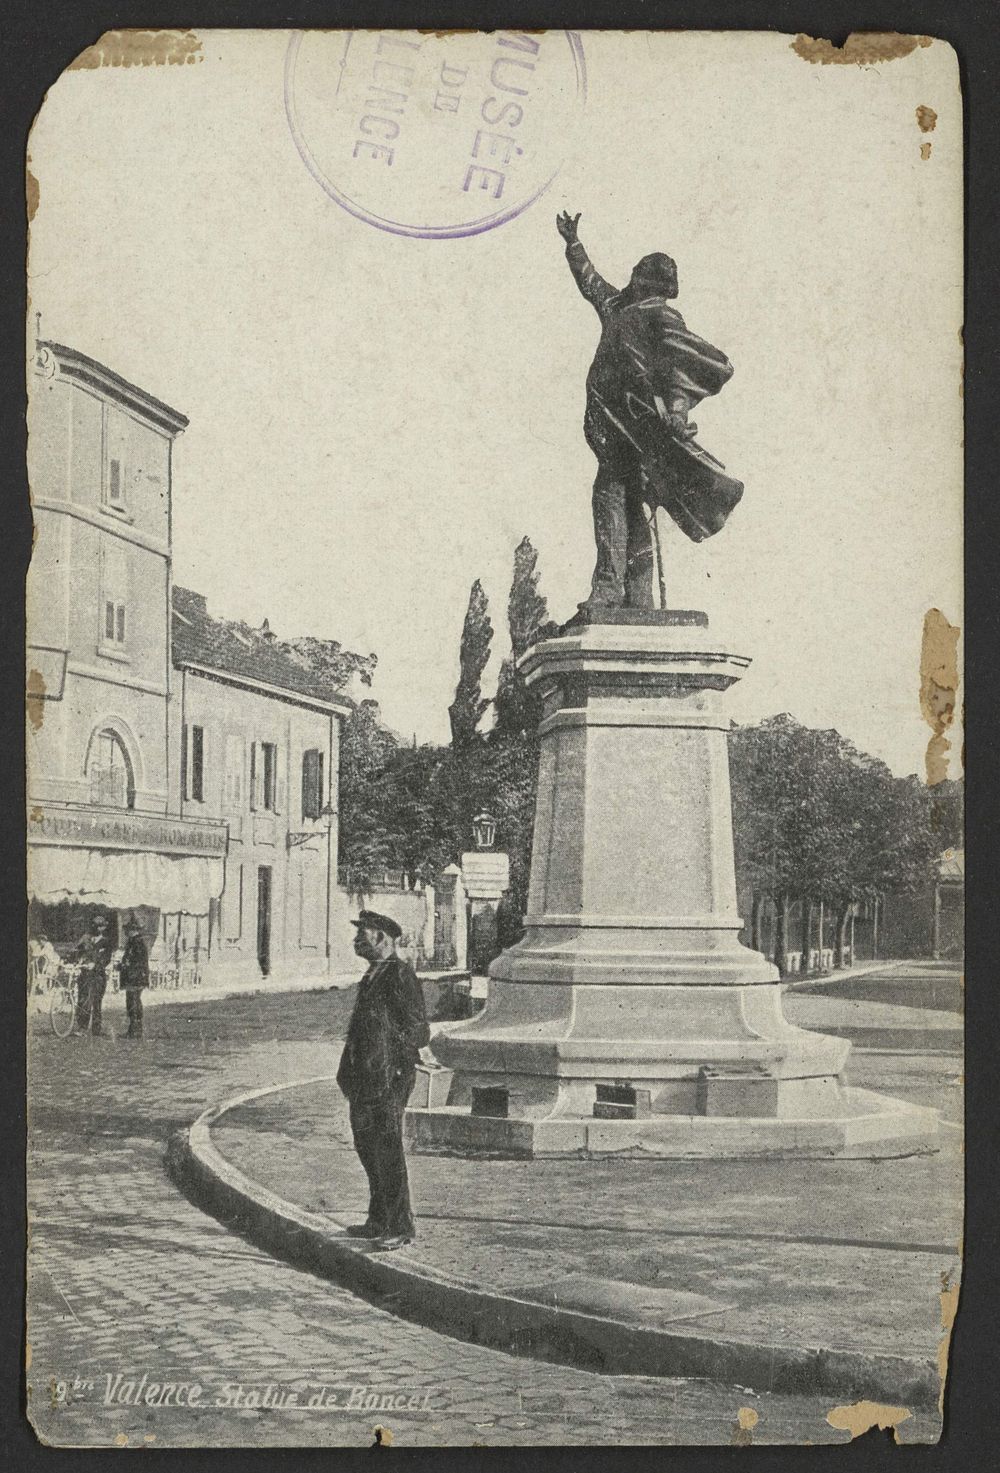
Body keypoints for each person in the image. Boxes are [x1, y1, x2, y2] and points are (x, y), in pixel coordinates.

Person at [556, 209, 744, 610]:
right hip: (611, 426)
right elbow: (591, 283)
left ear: (652, 280)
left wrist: (677, 413)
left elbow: (681, 368)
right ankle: (636, 597)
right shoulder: (619, 309)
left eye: (639, 271)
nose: (631, 275)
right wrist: (573, 245)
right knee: (630, 505)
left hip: (635, 429)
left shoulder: (661, 316)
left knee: (613, 497)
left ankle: (611, 590)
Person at [336, 910, 431, 1250]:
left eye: (363, 934)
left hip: (388, 1078)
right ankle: (377, 1219)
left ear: (383, 939)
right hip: (363, 1079)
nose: (357, 940)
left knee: (387, 1152)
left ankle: (400, 1226)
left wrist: (397, 1068)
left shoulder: (401, 976)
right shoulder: (373, 974)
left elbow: (418, 1029)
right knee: (367, 1149)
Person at [73, 914, 114, 1036]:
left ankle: (96, 1029)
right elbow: (76, 952)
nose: (98, 929)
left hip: (98, 976)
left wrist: (95, 965)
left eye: (100, 926)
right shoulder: (85, 939)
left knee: (96, 1002)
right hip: (85, 975)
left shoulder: (106, 942)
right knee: (83, 1000)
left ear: (104, 928)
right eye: (95, 926)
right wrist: (77, 961)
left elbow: (106, 959)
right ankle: (82, 1028)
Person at [119, 913, 149, 1039]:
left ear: (134, 931)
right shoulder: (133, 942)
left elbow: (139, 962)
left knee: (133, 1002)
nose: (126, 932)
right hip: (133, 977)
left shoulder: (137, 943)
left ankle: (135, 1030)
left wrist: (125, 966)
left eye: (128, 930)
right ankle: (134, 1029)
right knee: (132, 1001)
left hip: (135, 977)